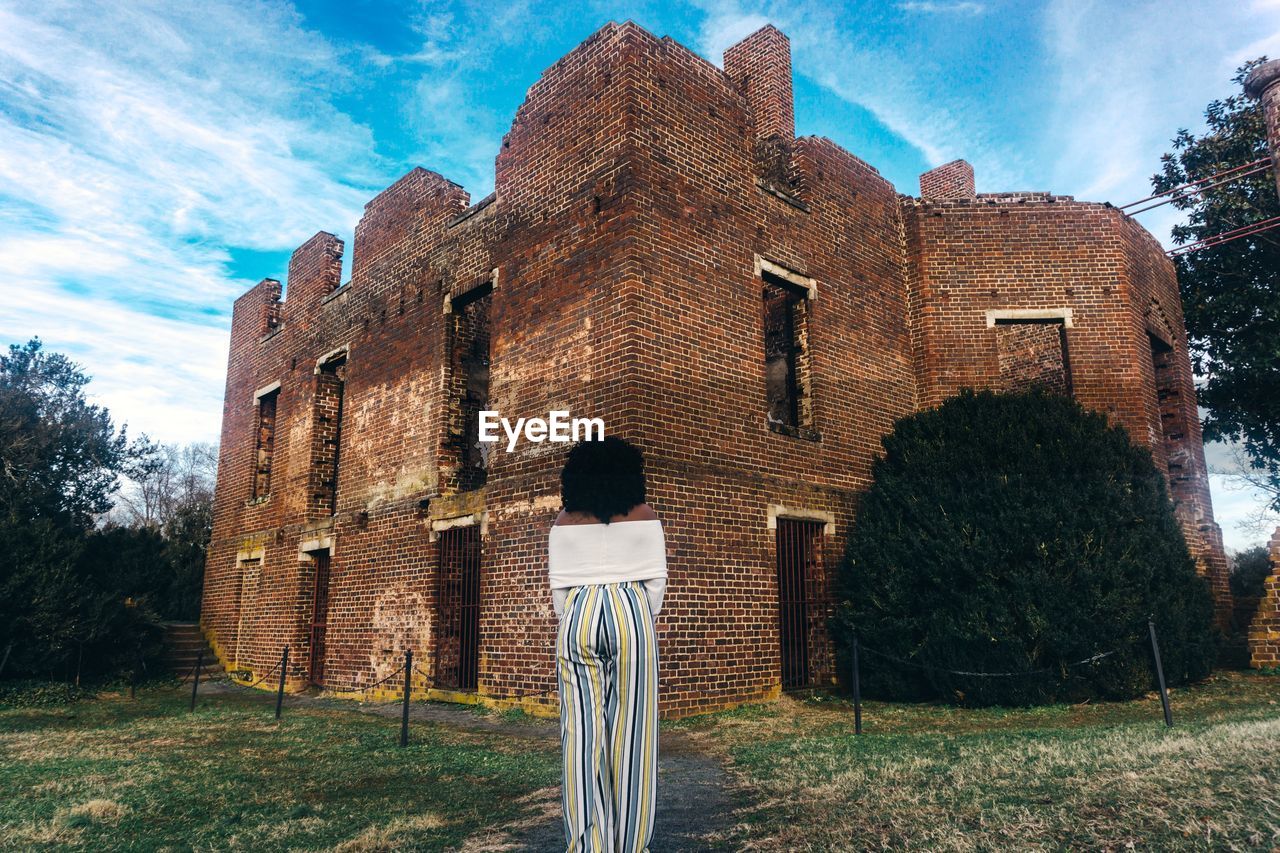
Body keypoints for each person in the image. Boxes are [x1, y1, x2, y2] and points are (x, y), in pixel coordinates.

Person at [549, 435, 667, 853]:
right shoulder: (646, 516)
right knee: (632, 732)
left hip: (579, 614)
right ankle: (631, 843)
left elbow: (559, 594)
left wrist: (580, 616)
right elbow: (656, 584)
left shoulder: (563, 521)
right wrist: (635, 619)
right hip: (631, 612)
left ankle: (588, 843)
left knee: (580, 733)